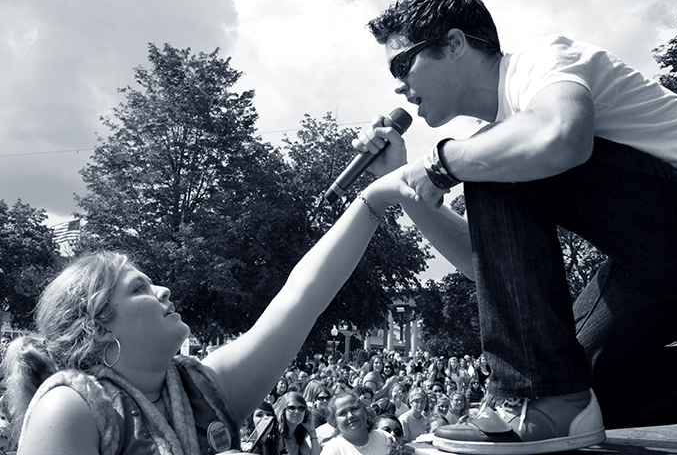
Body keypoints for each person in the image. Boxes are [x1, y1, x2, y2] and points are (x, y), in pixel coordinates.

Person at [356, 0, 677, 455]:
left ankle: (535, 396)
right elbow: (490, 269)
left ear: (453, 43)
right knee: (574, 388)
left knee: (489, 158)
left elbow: (562, 135)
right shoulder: (498, 137)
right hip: (662, 266)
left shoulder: (542, 62)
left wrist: (442, 163)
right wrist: (406, 188)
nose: (396, 84)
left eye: (400, 63)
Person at [0, 168, 417, 454]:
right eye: (139, 287)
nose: (164, 290)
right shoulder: (70, 408)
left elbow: (301, 298)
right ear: (100, 328)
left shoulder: (201, 386)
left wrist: (375, 197)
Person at [321, 394, 397, 455]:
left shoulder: (384, 437)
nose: (350, 416)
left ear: (365, 412)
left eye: (354, 409)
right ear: (335, 422)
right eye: (343, 413)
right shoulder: (332, 449)